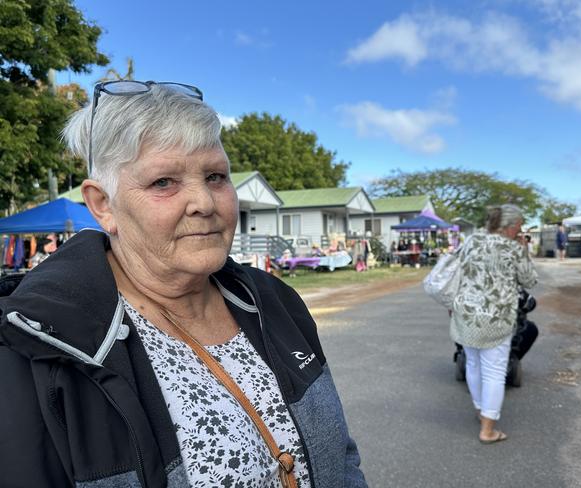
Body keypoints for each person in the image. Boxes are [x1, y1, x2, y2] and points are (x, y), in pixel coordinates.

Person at [0, 81, 366, 488]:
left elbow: (341, 455)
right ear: (103, 205)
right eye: (163, 182)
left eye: (215, 176)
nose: (204, 203)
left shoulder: (271, 300)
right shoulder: (42, 346)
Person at [450, 204, 537, 444]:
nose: (520, 233)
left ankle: (481, 412)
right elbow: (530, 279)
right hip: (495, 317)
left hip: (467, 313)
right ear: (508, 228)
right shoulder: (512, 248)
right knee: (494, 371)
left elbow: (456, 271)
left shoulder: (471, 241)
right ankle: (487, 430)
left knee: (474, 365)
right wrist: (524, 249)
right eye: (518, 228)